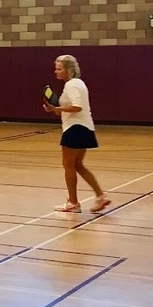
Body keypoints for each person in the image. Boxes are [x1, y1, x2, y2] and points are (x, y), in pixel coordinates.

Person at [43, 54, 111, 213]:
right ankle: (101, 196)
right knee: (78, 165)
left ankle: (73, 203)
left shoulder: (71, 85)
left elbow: (77, 107)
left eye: (59, 69)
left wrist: (56, 109)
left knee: (68, 165)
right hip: (84, 127)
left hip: (75, 129)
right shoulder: (78, 83)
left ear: (68, 69)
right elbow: (70, 110)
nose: (56, 72)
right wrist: (55, 110)